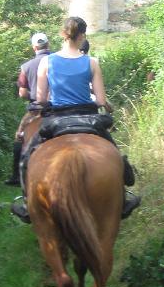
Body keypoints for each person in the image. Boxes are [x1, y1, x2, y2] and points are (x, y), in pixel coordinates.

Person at [10, 17, 140, 221]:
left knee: (27, 158)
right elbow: (100, 100)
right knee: (113, 152)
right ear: (82, 36)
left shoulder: (46, 61)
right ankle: (122, 199)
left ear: (62, 34)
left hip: (57, 119)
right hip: (89, 118)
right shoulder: (92, 62)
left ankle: (28, 203)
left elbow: (42, 99)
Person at [7, 32, 51, 185]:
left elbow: (23, 93)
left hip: (36, 110)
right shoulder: (58, 61)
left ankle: (16, 177)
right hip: (58, 108)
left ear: (34, 48)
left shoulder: (26, 67)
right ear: (48, 45)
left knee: (19, 136)